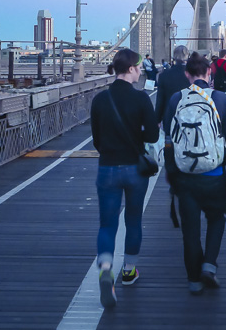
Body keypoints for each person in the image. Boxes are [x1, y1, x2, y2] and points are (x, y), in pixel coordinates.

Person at [163, 52, 226, 295]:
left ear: (187, 75)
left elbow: (169, 135)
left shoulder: (177, 99)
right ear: (210, 73)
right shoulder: (219, 98)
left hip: (185, 175)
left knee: (190, 229)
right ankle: (209, 265)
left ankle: (194, 280)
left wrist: (170, 171)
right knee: (217, 219)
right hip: (214, 173)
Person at [90, 49, 159, 308]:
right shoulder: (141, 99)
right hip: (134, 169)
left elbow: (96, 139)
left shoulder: (100, 99)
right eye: (139, 66)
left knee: (107, 224)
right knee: (133, 220)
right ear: (130, 68)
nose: (141, 70)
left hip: (107, 167)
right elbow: (152, 136)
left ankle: (106, 267)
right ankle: (129, 271)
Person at [155, 45, 190, 122]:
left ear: (174, 56)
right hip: (189, 116)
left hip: (169, 117)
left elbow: (160, 100)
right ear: (187, 56)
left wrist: (157, 119)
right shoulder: (192, 74)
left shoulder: (164, 75)